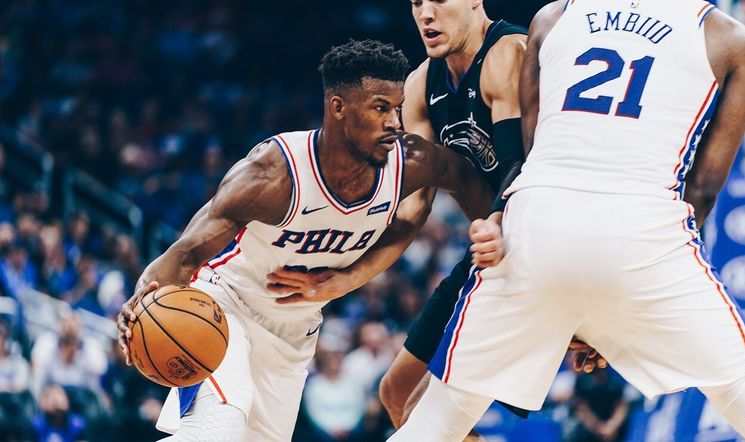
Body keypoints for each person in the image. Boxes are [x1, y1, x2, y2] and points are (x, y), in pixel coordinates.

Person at [390, 1, 745, 440]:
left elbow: (531, 151)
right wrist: (614, 307)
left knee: (432, 420)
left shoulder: (553, 16)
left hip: (537, 225)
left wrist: (574, 309)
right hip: (644, 231)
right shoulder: (727, 37)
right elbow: (703, 188)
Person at [115, 39, 495, 441]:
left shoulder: (409, 163)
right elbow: (185, 254)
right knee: (218, 428)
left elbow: (454, 189)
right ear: (338, 107)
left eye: (397, 109)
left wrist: (349, 279)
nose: (394, 123)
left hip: (295, 334)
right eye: (380, 108)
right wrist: (141, 301)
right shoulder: (274, 175)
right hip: (224, 309)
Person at [263, 0, 602, 432]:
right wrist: (341, 274)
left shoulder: (509, 52)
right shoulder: (421, 84)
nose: (425, 14)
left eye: (438, 1)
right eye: (416, 3)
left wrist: (580, 310)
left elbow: (522, 166)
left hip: (540, 246)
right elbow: (412, 208)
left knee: (424, 412)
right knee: (396, 394)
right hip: (490, 257)